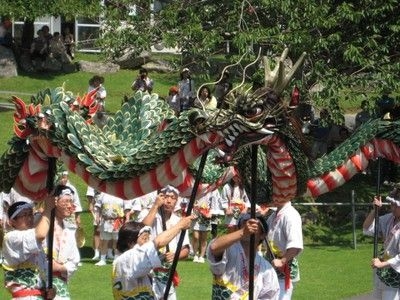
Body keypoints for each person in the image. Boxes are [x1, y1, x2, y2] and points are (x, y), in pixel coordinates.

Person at [112, 215, 195, 299]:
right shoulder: (127, 259)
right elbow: (158, 243)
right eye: (144, 239)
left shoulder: (129, 260)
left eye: (148, 238)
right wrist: (180, 225)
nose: (148, 242)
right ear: (130, 242)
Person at [207, 213, 280, 299]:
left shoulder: (267, 269)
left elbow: (270, 295)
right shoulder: (228, 249)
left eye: (254, 225)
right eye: (245, 223)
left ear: (262, 234)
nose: (249, 227)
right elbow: (214, 247)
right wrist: (242, 232)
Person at [138, 185, 191, 300]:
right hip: (147, 273)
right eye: (166, 196)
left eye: (173, 198)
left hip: (167, 274)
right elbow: (142, 231)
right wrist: (156, 206)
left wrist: (176, 255)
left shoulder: (179, 221)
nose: (169, 200)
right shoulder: (148, 214)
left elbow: (186, 250)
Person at [2, 196, 56, 299]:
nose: (30, 217)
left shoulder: (36, 244)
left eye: (31, 214)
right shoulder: (11, 237)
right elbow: (40, 235)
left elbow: (44, 273)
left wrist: (51, 289)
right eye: (24, 215)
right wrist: (48, 208)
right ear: (12, 221)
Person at [363, 187, 400, 299]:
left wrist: (382, 264)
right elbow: (367, 228)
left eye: (395, 205)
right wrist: (375, 210)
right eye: (391, 203)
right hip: (383, 272)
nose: (392, 207)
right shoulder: (389, 218)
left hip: (395, 275)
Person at [264, 199, 303, 300]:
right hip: (271, 267)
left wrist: (282, 261)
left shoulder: (291, 215)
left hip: (284, 269)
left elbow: (295, 245)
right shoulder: (273, 215)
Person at [94, 191, 125, 266]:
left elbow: (126, 208)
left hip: (118, 222)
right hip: (105, 222)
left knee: (117, 241)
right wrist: (97, 217)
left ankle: (116, 259)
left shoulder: (121, 195)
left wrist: (126, 219)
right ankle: (102, 259)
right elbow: (97, 207)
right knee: (104, 241)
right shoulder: (103, 194)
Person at [190, 190, 220, 263]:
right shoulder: (197, 189)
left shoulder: (212, 191)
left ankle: (202, 256)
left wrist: (210, 213)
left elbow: (214, 205)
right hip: (196, 215)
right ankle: (195, 255)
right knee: (196, 237)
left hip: (206, 216)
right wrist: (193, 209)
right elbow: (190, 201)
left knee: (204, 238)